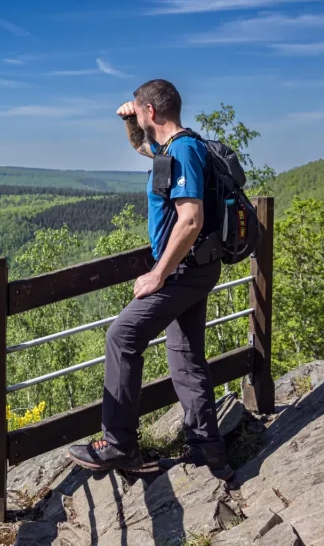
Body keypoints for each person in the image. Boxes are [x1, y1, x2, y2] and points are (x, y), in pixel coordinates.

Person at [67, 79, 233, 480]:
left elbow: (190, 219)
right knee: (186, 354)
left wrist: (158, 274)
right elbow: (144, 148)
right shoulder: (176, 147)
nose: (137, 116)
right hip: (195, 266)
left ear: (152, 112)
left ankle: (119, 444)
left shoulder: (184, 152)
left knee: (122, 337)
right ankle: (208, 448)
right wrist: (129, 122)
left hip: (183, 270)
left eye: (139, 111)